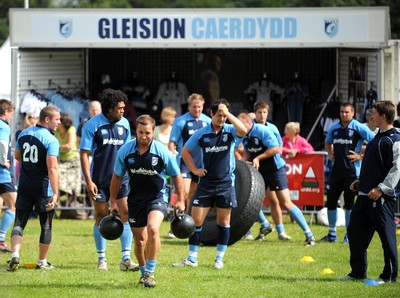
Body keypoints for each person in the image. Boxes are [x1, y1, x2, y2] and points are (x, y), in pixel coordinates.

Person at [110, 114, 185, 288]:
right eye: (140, 132)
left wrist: (181, 199)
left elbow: (176, 175)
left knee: (152, 229)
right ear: (136, 131)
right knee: (139, 240)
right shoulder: (125, 151)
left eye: (148, 133)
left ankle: (150, 272)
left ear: (153, 132)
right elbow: (117, 177)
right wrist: (113, 201)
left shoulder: (162, 151)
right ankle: (144, 273)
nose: (144, 136)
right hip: (135, 200)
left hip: (157, 197)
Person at [172, 99, 247, 269]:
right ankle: (192, 259)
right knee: (195, 221)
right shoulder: (201, 133)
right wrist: (195, 170)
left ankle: (218, 260)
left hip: (226, 184)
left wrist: (227, 113)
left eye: (224, 115)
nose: (222, 118)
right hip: (205, 184)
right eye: (219, 115)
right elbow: (185, 152)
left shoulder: (230, 131)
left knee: (223, 222)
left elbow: (243, 129)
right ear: (211, 114)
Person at [340, 100, 399, 284]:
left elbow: (397, 169)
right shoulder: (375, 137)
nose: (370, 117)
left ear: (382, 116)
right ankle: (357, 273)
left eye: (373, 113)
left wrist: (381, 189)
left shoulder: (394, 140)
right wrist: (361, 182)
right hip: (365, 195)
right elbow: (373, 164)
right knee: (354, 232)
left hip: (381, 198)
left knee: (386, 238)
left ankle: (388, 276)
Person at [80, 88, 138, 271]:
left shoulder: (126, 125)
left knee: (126, 214)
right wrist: (88, 181)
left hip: (122, 179)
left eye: (123, 108)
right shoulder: (92, 125)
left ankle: (126, 259)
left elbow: (130, 150)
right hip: (100, 180)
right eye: (119, 108)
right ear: (109, 109)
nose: (123, 111)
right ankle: (102, 260)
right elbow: (84, 153)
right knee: (100, 216)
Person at [237, 112, 316, 246]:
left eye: (240, 124)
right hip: (260, 170)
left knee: (285, 202)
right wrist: (244, 162)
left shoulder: (261, 130)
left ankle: (309, 234)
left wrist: (258, 158)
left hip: (275, 169)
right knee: (251, 200)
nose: (238, 127)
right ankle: (267, 225)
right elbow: (248, 152)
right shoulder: (244, 134)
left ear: (249, 123)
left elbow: (275, 149)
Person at [7, 106, 61, 271]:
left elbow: (17, 156)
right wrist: (56, 193)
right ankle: (42, 262)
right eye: (56, 119)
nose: (59, 122)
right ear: (47, 120)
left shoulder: (24, 133)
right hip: (43, 189)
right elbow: (52, 168)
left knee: (19, 222)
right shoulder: (51, 140)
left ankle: (15, 255)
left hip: (24, 186)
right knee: (45, 225)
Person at [320, 102, 375, 244]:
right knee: (331, 202)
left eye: (347, 112)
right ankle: (331, 234)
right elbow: (327, 141)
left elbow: (374, 142)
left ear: (352, 113)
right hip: (336, 172)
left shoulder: (358, 127)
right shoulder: (334, 128)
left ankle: (348, 236)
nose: (344, 114)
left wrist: (360, 156)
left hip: (352, 172)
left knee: (349, 204)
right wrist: (330, 153)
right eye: (342, 111)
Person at [249, 100, 292, 241]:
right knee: (252, 200)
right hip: (257, 169)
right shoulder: (249, 127)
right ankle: (261, 226)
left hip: (271, 168)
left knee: (274, 200)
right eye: (259, 112)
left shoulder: (272, 128)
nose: (262, 115)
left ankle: (280, 230)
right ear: (255, 113)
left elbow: (278, 149)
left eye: (264, 112)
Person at [168, 94, 211, 213]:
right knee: (184, 193)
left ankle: (188, 222)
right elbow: (172, 142)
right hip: (185, 163)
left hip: (201, 163)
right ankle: (175, 221)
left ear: (203, 106)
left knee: (193, 194)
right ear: (189, 107)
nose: (197, 109)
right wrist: (172, 160)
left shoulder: (208, 121)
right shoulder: (181, 121)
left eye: (199, 107)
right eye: (194, 107)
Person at [0, 99, 17, 253]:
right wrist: (4, 160)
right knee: (13, 205)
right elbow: (3, 144)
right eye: (11, 113)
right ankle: (0, 239)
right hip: (2, 174)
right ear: (5, 112)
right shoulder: (3, 126)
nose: (12, 116)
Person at [55, 113, 81, 205]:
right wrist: (61, 147)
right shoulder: (56, 131)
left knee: (73, 184)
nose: (57, 123)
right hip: (61, 161)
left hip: (73, 161)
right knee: (56, 178)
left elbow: (69, 146)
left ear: (63, 123)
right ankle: (57, 202)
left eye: (59, 121)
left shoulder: (71, 129)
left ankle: (70, 203)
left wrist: (56, 147)